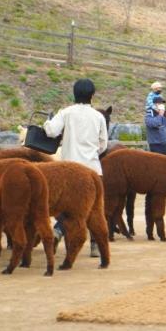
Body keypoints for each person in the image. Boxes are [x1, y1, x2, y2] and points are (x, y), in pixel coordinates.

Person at [44, 78, 108, 258]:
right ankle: (95, 246)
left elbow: (50, 131)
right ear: (92, 95)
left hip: (69, 171)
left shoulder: (66, 113)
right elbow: (103, 144)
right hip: (93, 170)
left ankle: (58, 232)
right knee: (96, 208)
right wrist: (93, 151)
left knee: (66, 207)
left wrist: (50, 119)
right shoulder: (98, 116)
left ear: (74, 93)